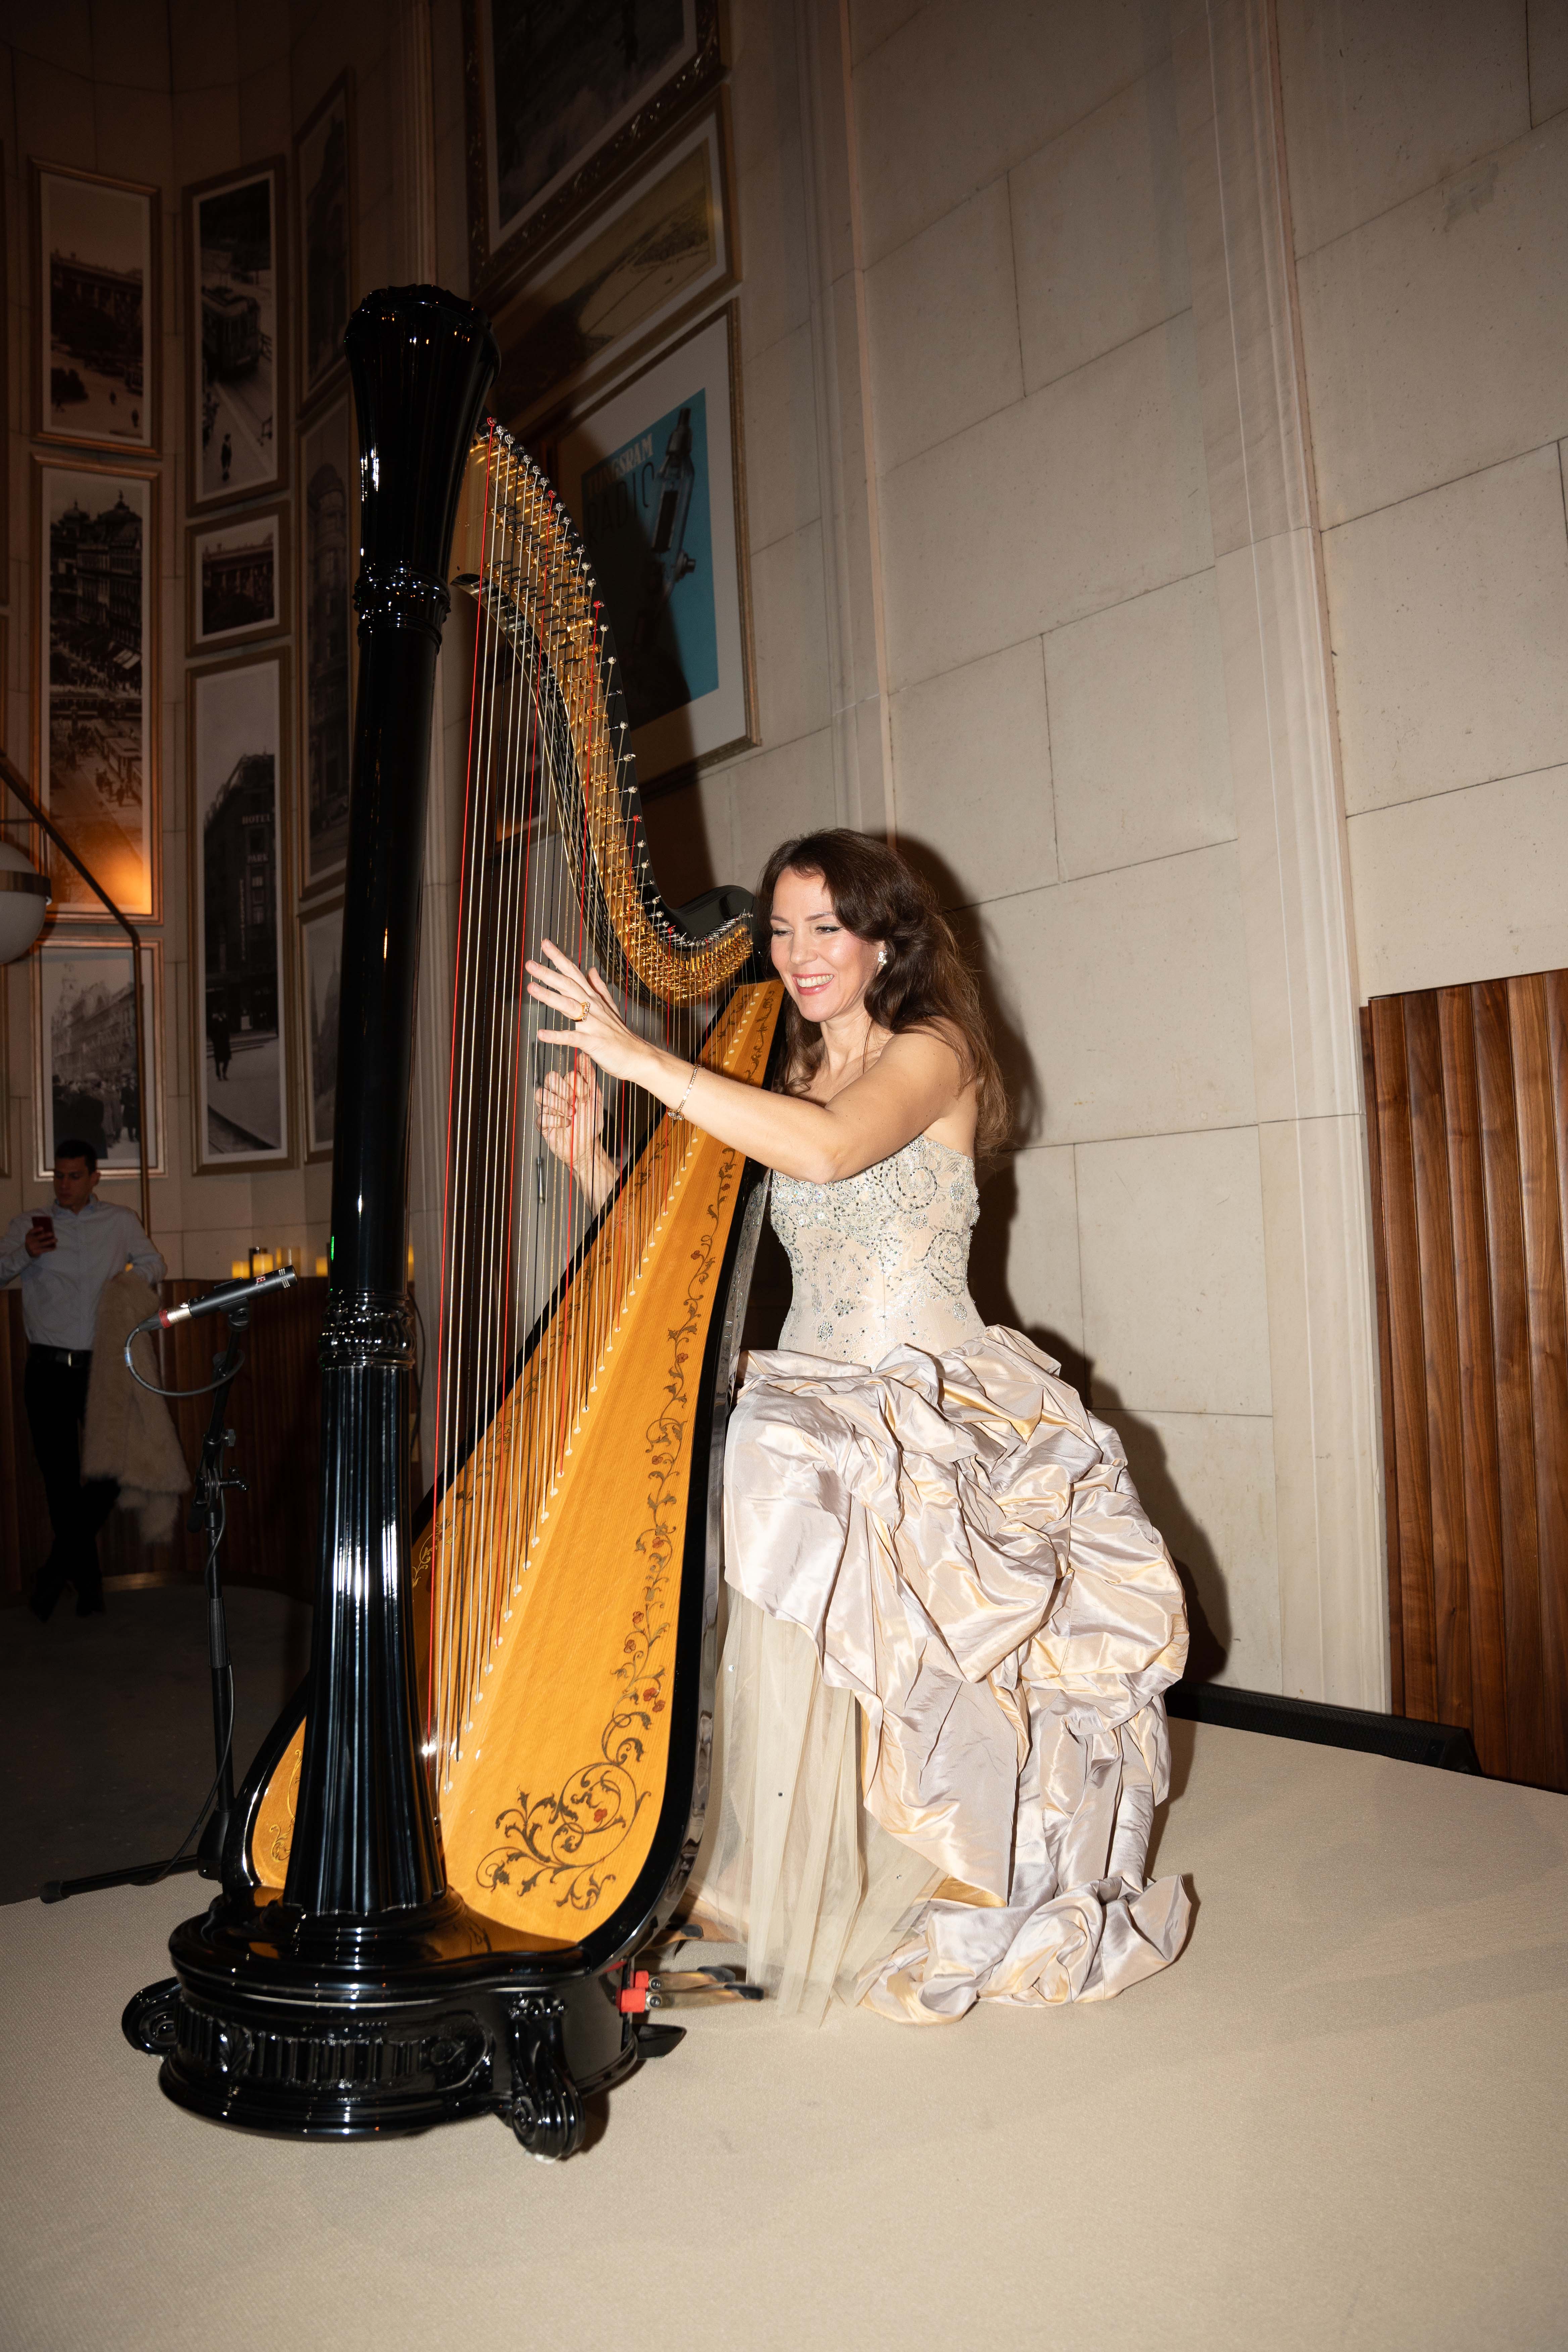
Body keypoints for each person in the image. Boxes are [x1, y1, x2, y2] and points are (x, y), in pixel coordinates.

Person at [526, 829, 1190, 2026]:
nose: (795, 954)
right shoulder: (778, 1077)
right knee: (743, 1469)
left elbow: (831, 1157)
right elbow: (703, 1261)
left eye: (823, 927)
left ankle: (940, 1860)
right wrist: (592, 1155)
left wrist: (638, 1056)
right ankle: (757, 1875)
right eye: (778, 931)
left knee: (781, 1479)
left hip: (930, 1389)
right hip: (820, 1388)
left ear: (885, 938)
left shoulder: (931, 1056)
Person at [0, 1138, 165, 1618]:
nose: (66, 1185)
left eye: (75, 1176)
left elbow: (155, 1264)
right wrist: (25, 1254)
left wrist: (128, 1283)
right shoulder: (27, 1226)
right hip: (47, 1368)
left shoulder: (119, 1221)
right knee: (59, 1482)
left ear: (94, 1178)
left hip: (102, 1366)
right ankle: (88, 1584)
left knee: (112, 1471)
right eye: (59, 1176)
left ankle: (55, 1571)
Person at [208, 1004, 232, 1081]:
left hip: (225, 1043)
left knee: (227, 1059)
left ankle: (224, 1073)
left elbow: (228, 1029)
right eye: (222, 1012)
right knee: (218, 1061)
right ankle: (219, 1075)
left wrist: (228, 1039)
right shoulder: (214, 1021)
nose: (223, 1013)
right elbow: (211, 1032)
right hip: (218, 1043)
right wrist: (215, 1040)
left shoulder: (225, 1020)